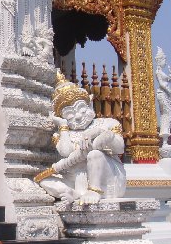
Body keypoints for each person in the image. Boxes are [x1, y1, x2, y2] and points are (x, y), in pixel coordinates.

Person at [35, 71, 126, 206]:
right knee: (45, 181)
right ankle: (76, 193)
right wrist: (63, 126)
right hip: (76, 180)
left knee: (95, 154)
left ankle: (94, 190)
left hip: (106, 178)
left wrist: (101, 134)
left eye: (81, 110)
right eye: (70, 115)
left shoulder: (107, 123)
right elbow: (66, 153)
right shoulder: (62, 134)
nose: (77, 117)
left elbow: (119, 148)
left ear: (89, 104)